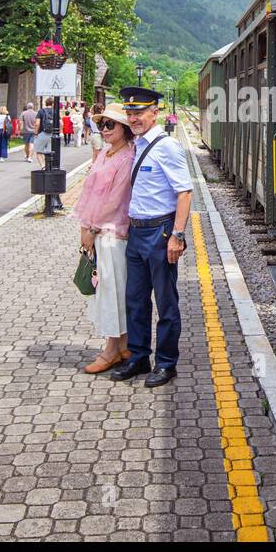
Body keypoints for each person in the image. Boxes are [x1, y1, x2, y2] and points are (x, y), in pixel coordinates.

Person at [107, 86, 193, 388]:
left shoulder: (166, 146)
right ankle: (139, 357)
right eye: (129, 113)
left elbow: (184, 192)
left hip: (160, 232)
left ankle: (167, 363)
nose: (134, 118)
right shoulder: (136, 144)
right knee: (136, 300)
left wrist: (177, 235)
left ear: (154, 113)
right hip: (137, 231)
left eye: (139, 113)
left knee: (166, 302)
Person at [73, 104, 137, 374]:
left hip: (112, 233)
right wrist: (85, 225)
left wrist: (92, 228)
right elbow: (89, 191)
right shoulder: (105, 154)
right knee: (108, 289)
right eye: (103, 124)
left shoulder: (127, 157)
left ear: (125, 129)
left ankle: (111, 350)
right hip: (97, 231)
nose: (105, 129)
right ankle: (123, 345)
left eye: (112, 124)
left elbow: (115, 200)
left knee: (112, 291)